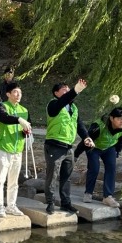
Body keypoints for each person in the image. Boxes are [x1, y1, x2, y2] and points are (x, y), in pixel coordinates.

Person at [44, 79, 94, 215]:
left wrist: (87, 137)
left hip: (68, 147)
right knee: (52, 175)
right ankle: (50, 202)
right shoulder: (54, 104)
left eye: (68, 89)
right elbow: (63, 101)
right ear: (56, 93)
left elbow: (80, 125)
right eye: (63, 90)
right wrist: (75, 90)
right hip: (54, 145)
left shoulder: (73, 107)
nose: (67, 91)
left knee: (66, 177)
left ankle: (66, 203)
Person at [75, 107, 122, 207]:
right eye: (119, 118)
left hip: (109, 148)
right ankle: (88, 193)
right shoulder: (98, 126)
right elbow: (86, 140)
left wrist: (118, 152)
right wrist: (76, 154)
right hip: (93, 147)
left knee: (111, 168)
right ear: (112, 119)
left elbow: (121, 140)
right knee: (94, 168)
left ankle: (108, 197)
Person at [0, 82, 31, 217]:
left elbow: (26, 127)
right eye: (15, 92)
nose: (18, 94)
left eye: (20, 92)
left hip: (17, 150)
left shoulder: (24, 110)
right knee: (0, 179)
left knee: (14, 180)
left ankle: (11, 205)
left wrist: (26, 132)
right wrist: (19, 119)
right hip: (3, 148)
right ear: (8, 94)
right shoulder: (2, 107)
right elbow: (4, 118)